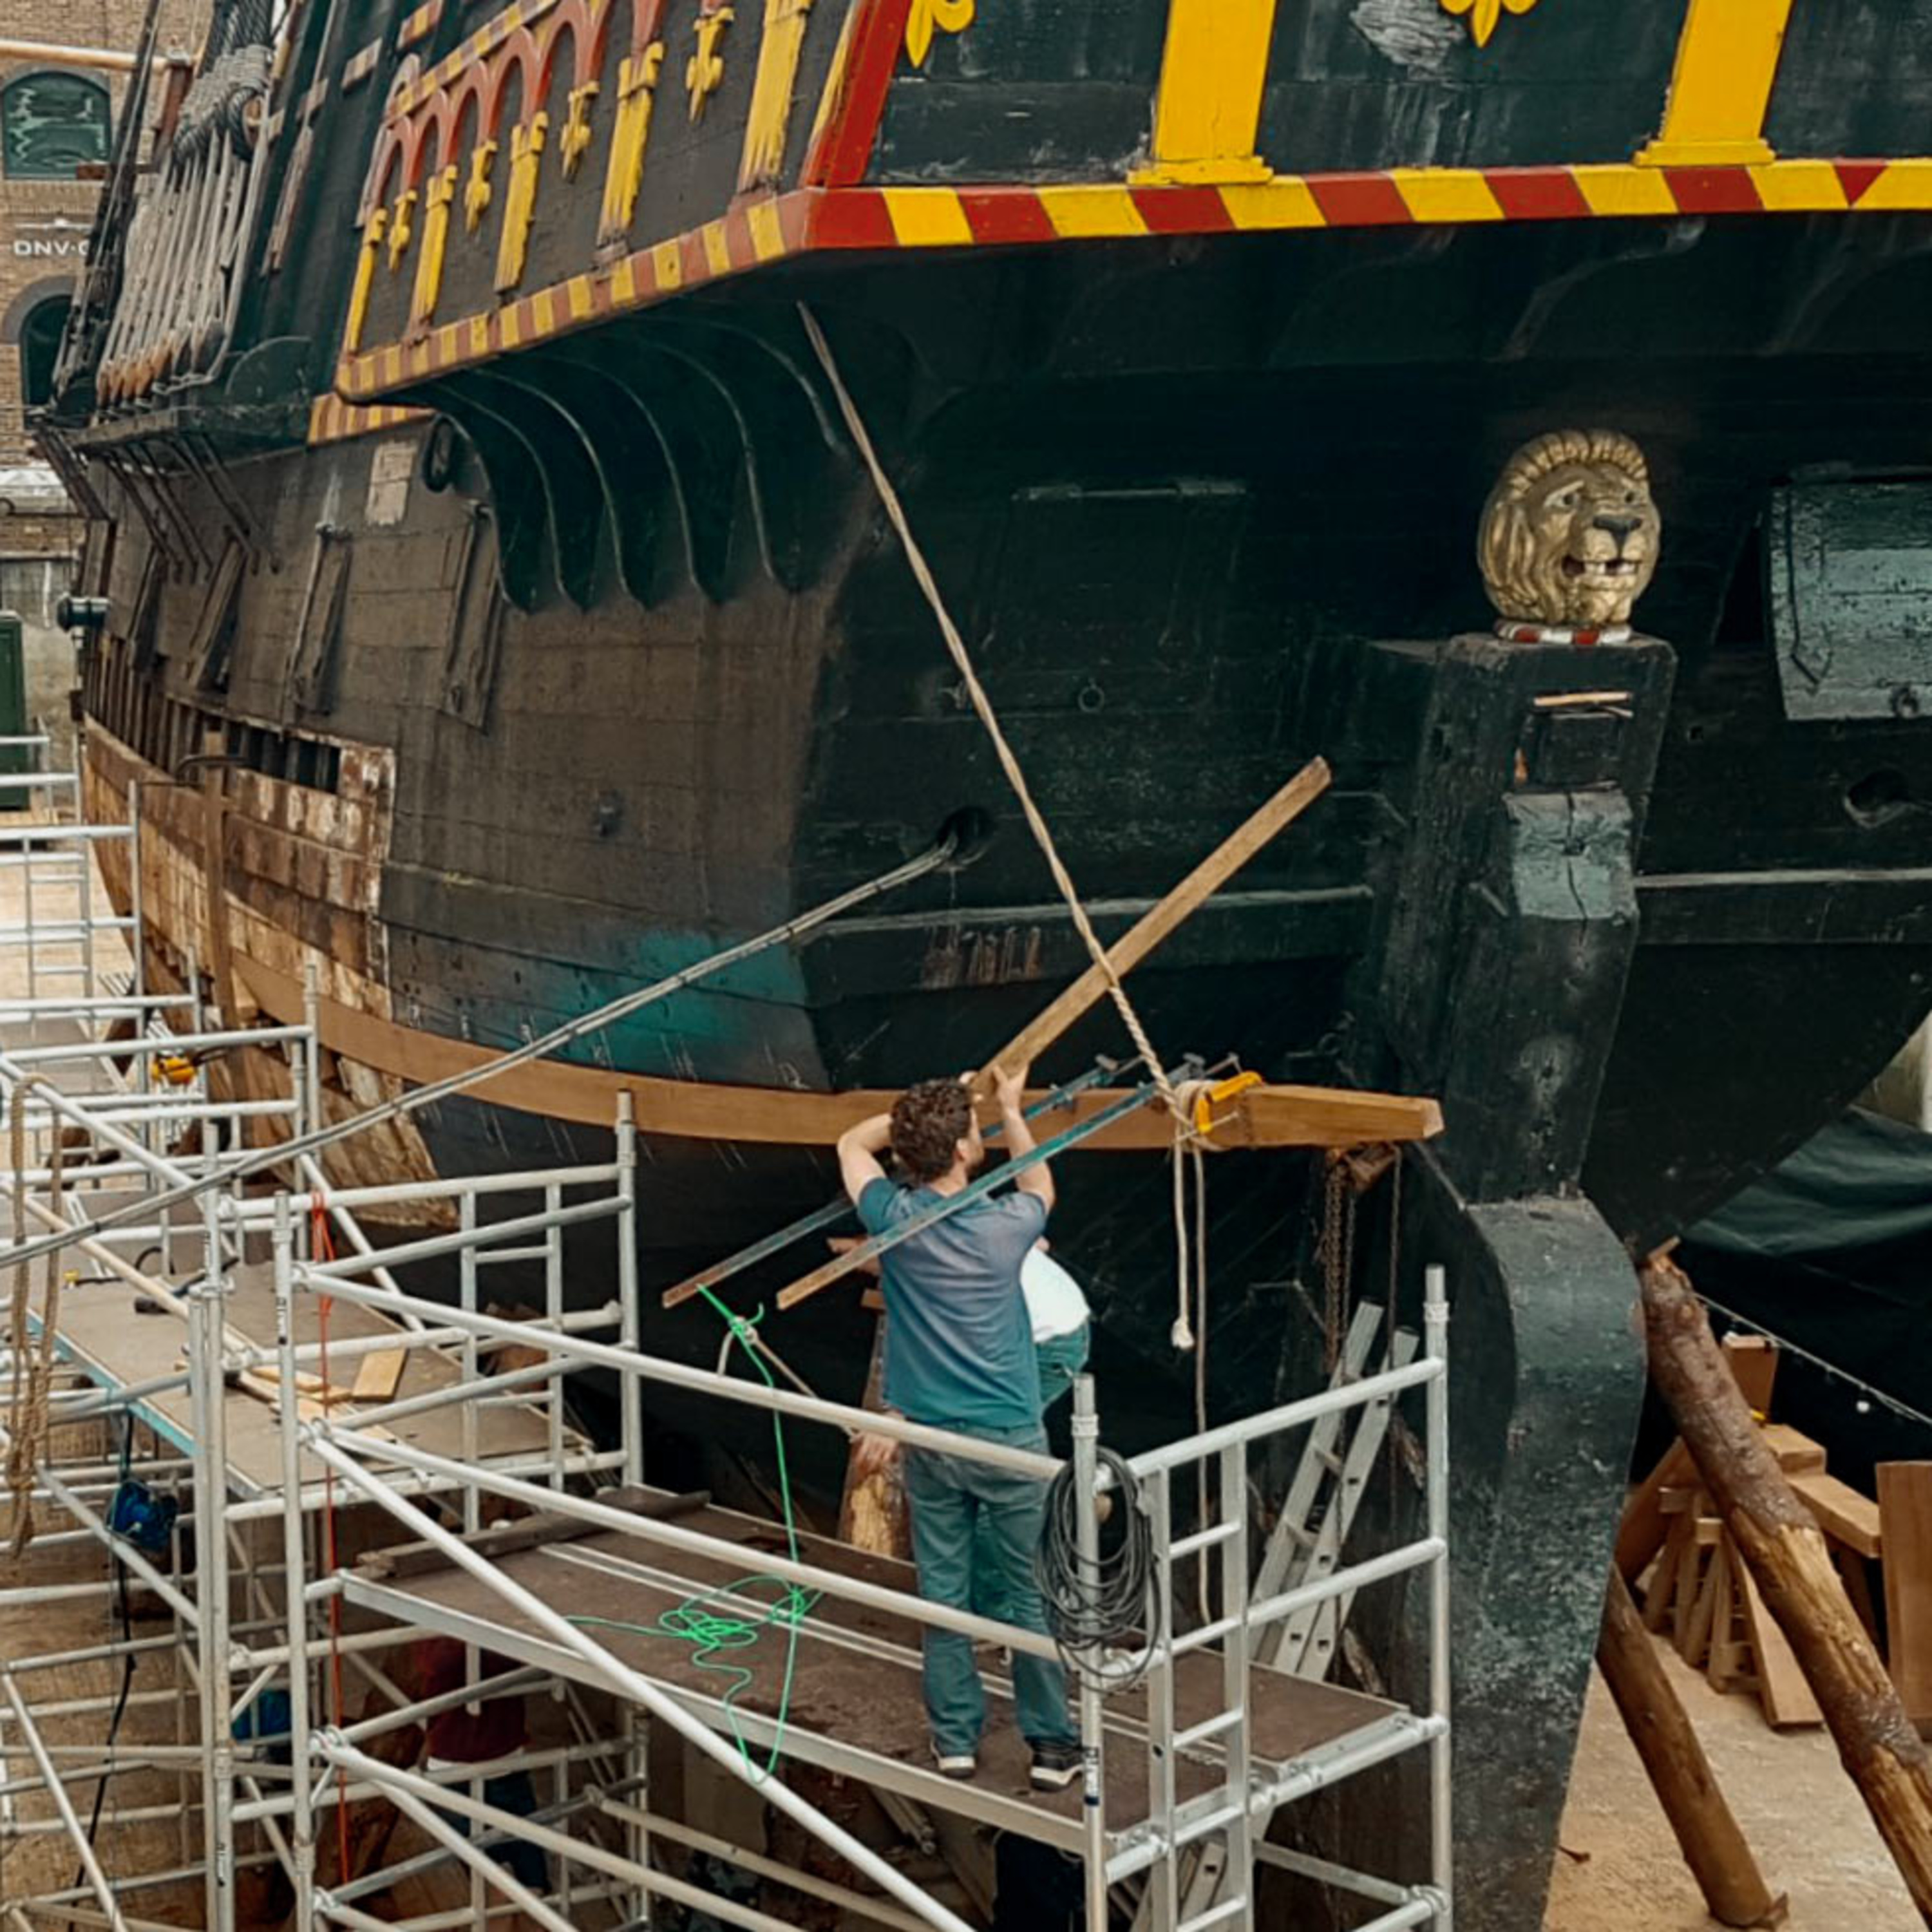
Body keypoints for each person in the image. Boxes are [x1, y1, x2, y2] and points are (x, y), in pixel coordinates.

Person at [837, 1065, 1082, 1790]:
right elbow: (1041, 1187)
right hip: (1006, 1436)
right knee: (1032, 1595)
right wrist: (1005, 1106)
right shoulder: (1006, 1227)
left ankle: (955, 1742)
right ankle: (1052, 1749)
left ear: (909, 1156)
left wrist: (922, 1107)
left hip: (933, 1442)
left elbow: (853, 1141)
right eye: (973, 1134)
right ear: (971, 1151)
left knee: (944, 1596)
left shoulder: (891, 1217)